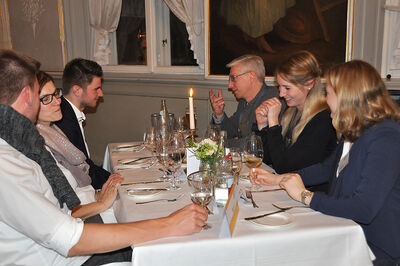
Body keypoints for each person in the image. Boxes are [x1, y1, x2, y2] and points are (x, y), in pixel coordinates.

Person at [0, 49, 208, 265]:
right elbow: (70, 239)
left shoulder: (22, 144)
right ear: (27, 96)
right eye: (38, 93)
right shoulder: (7, 164)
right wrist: (169, 224)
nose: (56, 101)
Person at [250, 60, 400, 264]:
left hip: (373, 248)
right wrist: (279, 180)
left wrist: (306, 196)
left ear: (346, 96)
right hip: (344, 232)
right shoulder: (356, 130)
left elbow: (364, 208)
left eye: (328, 93)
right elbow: (326, 169)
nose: (325, 99)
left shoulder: (385, 137)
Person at [35, 70, 122, 222]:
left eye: (56, 94)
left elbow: (76, 189)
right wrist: (102, 203)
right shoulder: (37, 146)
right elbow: (59, 212)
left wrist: (98, 194)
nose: (58, 101)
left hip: (88, 206)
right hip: (77, 224)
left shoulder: (54, 131)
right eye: (47, 99)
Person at [255, 50, 337, 174]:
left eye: (287, 88)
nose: (281, 94)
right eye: (279, 87)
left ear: (309, 83)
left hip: (309, 191)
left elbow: (284, 167)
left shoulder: (323, 119)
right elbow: (267, 158)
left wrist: (273, 125)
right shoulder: (292, 112)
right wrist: (263, 126)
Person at [55, 58, 110, 189]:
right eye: (96, 89)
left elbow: (86, 163)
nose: (101, 94)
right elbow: (82, 170)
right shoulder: (63, 121)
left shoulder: (68, 112)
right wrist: (115, 180)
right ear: (77, 90)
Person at [209, 54, 279, 147]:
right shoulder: (244, 101)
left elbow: (255, 143)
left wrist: (222, 144)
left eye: (233, 78)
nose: (229, 85)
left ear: (251, 76)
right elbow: (230, 132)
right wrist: (219, 114)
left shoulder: (273, 100)